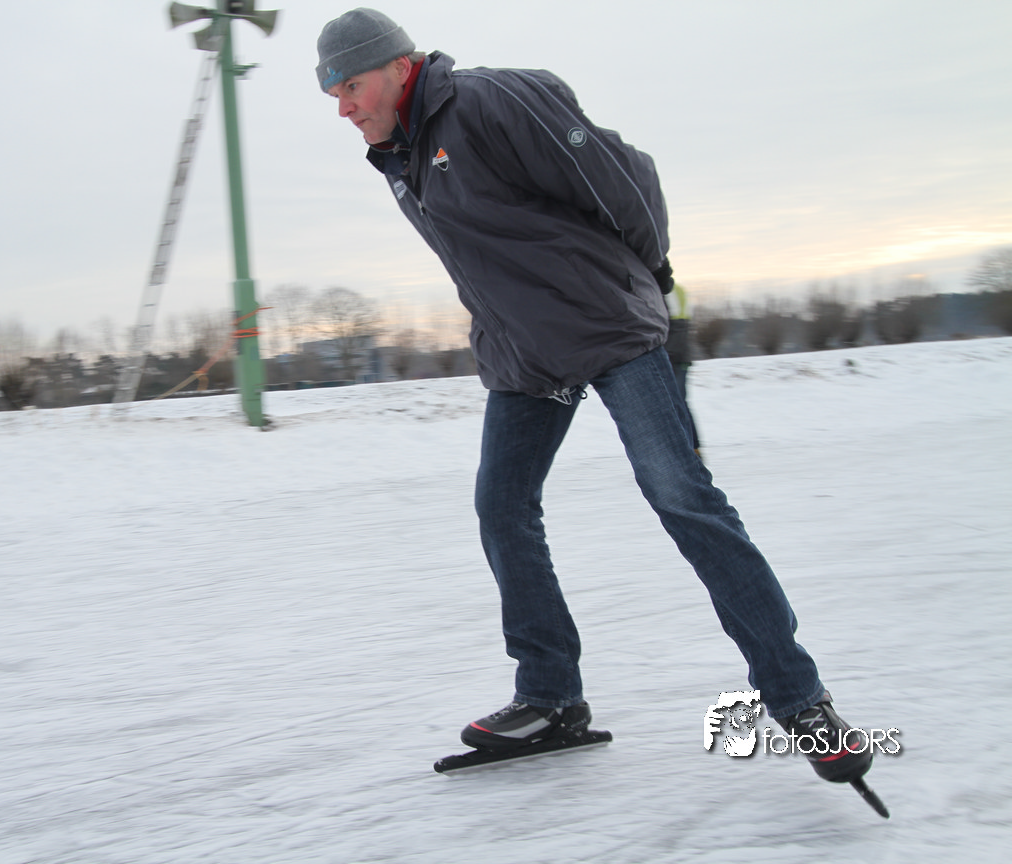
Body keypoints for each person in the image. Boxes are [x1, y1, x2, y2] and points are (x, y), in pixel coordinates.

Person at [316, 8, 873, 786]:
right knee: (502, 507)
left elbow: (622, 178)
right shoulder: (401, 158)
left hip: (609, 326)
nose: (344, 108)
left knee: (683, 498)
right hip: (525, 354)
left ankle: (800, 700)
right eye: (334, 95)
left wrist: (651, 276)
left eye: (351, 86)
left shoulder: (490, 100)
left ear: (399, 67)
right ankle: (550, 697)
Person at [664, 281, 701, 453]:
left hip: (674, 357)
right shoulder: (677, 289)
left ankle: (689, 450)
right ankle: (692, 449)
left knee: (676, 404)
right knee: (679, 403)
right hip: (680, 355)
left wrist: (667, 358)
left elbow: (676, 327)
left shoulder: (667, 290)